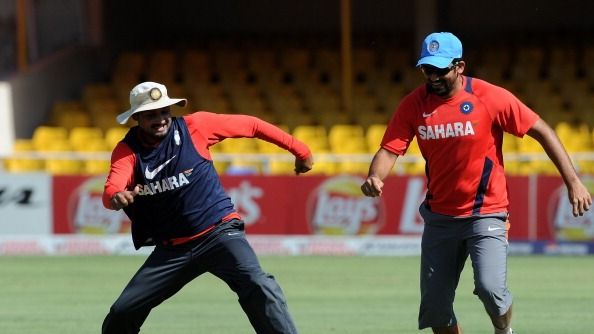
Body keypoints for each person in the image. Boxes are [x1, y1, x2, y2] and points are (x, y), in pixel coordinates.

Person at [360, 32, 592, 334]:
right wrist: (376, 176)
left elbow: (543, 130)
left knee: (491, 290)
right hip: (440, 218)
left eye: (440, 70)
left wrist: (573, 181)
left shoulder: (490, 97)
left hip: (487, 212)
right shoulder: (413, 105)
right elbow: (389, 149)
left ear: (460, 66)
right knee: (435, 309)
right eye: (427, 70)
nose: (432, 77)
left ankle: (504, 330)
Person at [101, 81, 313, 333]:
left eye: (164, 112)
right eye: (151, 115)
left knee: (258, 284)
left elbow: (252, 125)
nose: (160, 119)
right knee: (122, 312)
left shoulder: (195, 126)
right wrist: (116, 197)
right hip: (173, 250)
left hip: (220, 234)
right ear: (136, 117)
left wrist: (301, 151)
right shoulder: (127, 151)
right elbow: (111, 189)